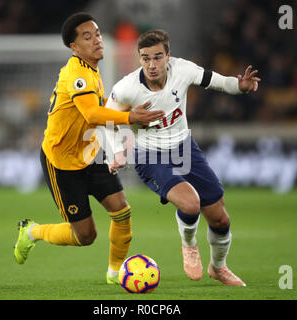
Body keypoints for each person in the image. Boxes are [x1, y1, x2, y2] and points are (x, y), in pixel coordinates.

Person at [13, 13, 165, 285]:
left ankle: (115, 272)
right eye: (87, 36)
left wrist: (130, 109)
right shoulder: (77, 74)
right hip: (61, 162)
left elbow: (102, 108)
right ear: (74, 47)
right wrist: (130, 118)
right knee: (85, 236)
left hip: (89, 154)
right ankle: (33, 232)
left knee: (122, 210)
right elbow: (93, 115)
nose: (97, 39)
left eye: (96, 33)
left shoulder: (91, 71)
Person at [105, 29, 260, 286]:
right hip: (149, 155)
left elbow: (216, 80)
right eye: (145, 58)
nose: (151, 65)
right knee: (190, 204)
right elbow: (107, 119)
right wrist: (118, 153)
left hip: (184, 148)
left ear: (168, 56)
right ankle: (189, 245)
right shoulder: (126, 89)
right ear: (139, 59)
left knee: (220, 218)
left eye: (157, 57)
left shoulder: (183, 70)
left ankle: (218, 267)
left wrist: (240, 86)